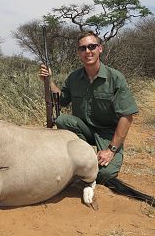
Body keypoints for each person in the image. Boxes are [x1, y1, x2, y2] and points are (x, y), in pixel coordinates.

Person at [39, 31, 138, 184]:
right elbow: (62, 100)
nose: (87, 51)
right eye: (83, 48)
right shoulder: (74, 77)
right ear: (79, 52)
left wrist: (111, 150)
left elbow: (127, 116)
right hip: (84, 130)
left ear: (100, 48)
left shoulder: (115, 78)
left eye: (92, 46)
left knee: (104, 175)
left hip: (107, 134)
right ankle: (82, 155)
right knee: (62, 119)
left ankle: (95, 156)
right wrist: (48, 81)